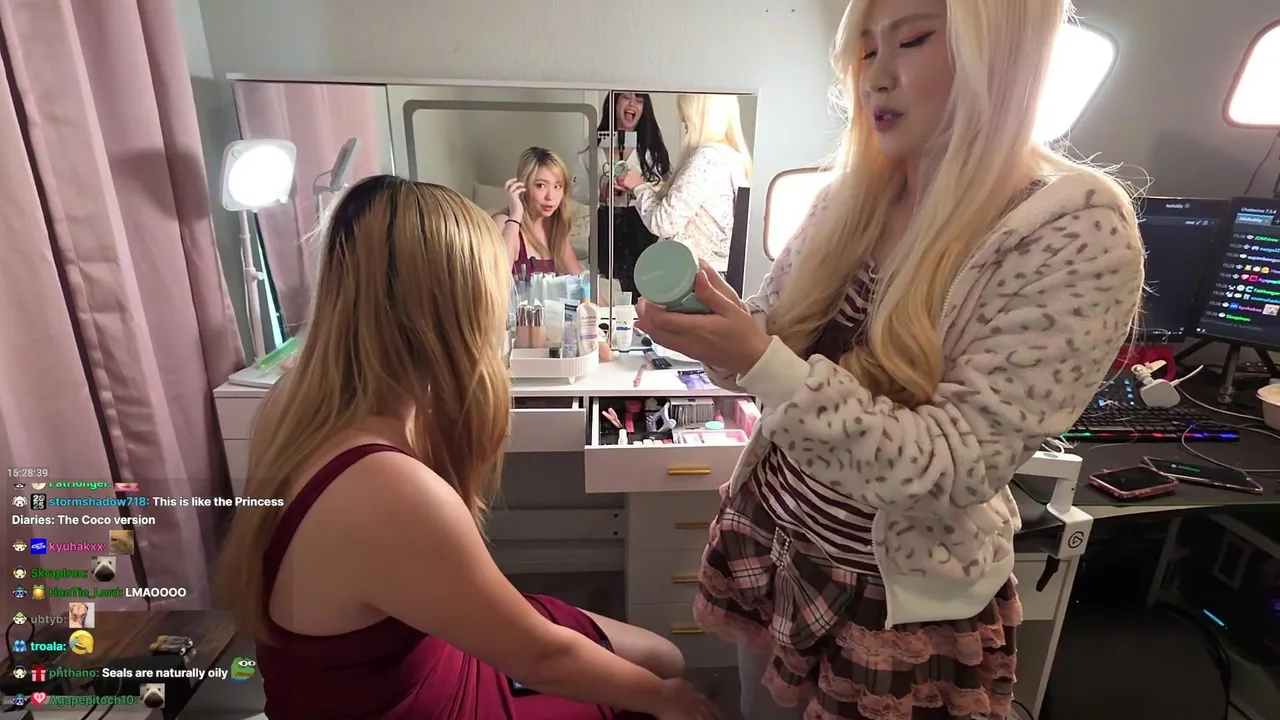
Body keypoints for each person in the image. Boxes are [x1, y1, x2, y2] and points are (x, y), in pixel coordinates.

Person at [634, 1, 1145, 719]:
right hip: (773, 543)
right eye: (867, 51)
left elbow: (953, 465)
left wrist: (758, 359)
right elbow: (773, 351)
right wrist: (720, 336)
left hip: (888, 609)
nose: (876, 76)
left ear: (1001, 49)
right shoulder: (850, 197)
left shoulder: (1073, 231)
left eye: (913, 39)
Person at [214, 175, 722, 720]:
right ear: (448, 312)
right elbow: (542, 659)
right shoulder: (386, 487)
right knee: (662, 678)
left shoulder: (300, 406)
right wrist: (666, 701)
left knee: (662, 657)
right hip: (422, 698)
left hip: (420, 650)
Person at [616, 94, 752, 274]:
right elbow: (688, 201)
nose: (683, 122)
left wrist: (639, 187)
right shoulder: (731, 157)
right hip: (713, 272)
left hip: (695, 275)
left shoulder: (706, 160)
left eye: (686, 117)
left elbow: (663, 222)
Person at [588, 91, 673, 296]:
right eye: (626, 97)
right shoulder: (592, 147)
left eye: (639, 100)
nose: (632, 103)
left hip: (641, 223)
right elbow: (576, 188)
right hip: (606, 220)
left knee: (643, 286)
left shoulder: (654, 150)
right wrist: (600, 193)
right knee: (606, 285)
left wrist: (638, 186)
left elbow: (664, 192)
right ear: (614, 103)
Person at [496, 147, 583, 277]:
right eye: (541, 185)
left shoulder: (555, 229)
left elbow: (581, 279)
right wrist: (516, 214)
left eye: (557, 186)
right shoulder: (504, 223)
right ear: (523, 186)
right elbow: (497, 278)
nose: (550, 197)